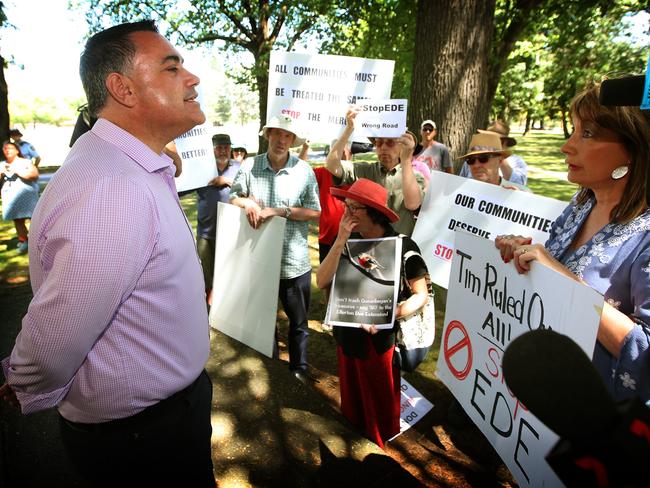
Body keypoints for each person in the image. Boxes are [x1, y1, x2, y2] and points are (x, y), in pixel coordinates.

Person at [0, 21, 215, 486]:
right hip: (145, 441)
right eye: (172, 67)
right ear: (123, 88)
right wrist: (25, 382)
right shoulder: (113, 188)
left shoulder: (121, 167)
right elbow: (56, 338)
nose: (192, 77)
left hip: (154, 427)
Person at [495, 82, 650, 403]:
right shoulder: (580, 207)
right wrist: (522, 255)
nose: (567, 146)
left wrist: (560, 277)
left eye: (588, 133)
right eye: (574, 131)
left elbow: (644, 350)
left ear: (634, 148)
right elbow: (546, 278)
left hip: (597, 421)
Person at [316, 178, 428, 448]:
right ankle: (355, 442)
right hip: (347, 334)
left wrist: (391, 314)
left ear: (374, 212)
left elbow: (421, 295)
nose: (347, 213)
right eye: (347, 206)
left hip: (379, 341)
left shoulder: (403, 246)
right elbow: (321, 280)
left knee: (379, 402)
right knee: (353, 400)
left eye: (355, 208)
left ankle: (379, 448)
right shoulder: (347, 241)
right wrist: (341, 238)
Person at [230, 115, 320, 382]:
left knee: (298, 322)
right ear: (268, 135)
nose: (281, 140)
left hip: (293, 263)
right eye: (277, 134)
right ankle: (270, 364)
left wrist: (281, 211)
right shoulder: (249, 166)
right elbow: (233, 196)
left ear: (292, 140)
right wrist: (247, 203)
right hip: (259, 261)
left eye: (287, 136)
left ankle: (299, 368)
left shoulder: (303, 170)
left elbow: (315, 211)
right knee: (263, 319)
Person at [326, 108, 425, 236]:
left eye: (390, 142)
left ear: (401, 146)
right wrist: (349, 129)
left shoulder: (415, 176)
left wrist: (406, 159)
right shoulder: (364, 170)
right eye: (379, 143)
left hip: (400, 246)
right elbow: (332, 166)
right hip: (367, 246)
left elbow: (412, 204)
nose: (383, 147)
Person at [197, 133, 241, 296]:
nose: (223, 151)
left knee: (228, 275)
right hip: (206, 232)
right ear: (212, 150)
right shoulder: (202, 168)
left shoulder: (239, 167)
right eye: (219, 148)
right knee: (205, 276)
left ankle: (225, 313)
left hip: (232, 231)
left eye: (226, 147)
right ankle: (207, 312)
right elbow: (181, 189)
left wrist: (226, 181)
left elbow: (249, 190)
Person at [458, 120, 528, 184]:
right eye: (487, 138)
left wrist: (499, 157)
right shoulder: (472, 160)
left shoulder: (517, 161)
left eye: (496, 139)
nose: (477, 164)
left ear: (505, 142)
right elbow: (460, 182)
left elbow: (519, 185)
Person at [0, 141, 39, 254]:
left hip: (27, 195)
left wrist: (16, 170)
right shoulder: (2, 164)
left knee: (33, 218)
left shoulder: (25, 162)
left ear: (17, 150)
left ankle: (37, 241)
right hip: (10, 196)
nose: (7, 150)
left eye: (10, 148)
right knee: (17, 220)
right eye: (5, 148)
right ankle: (23, 241)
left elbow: (34, 175)